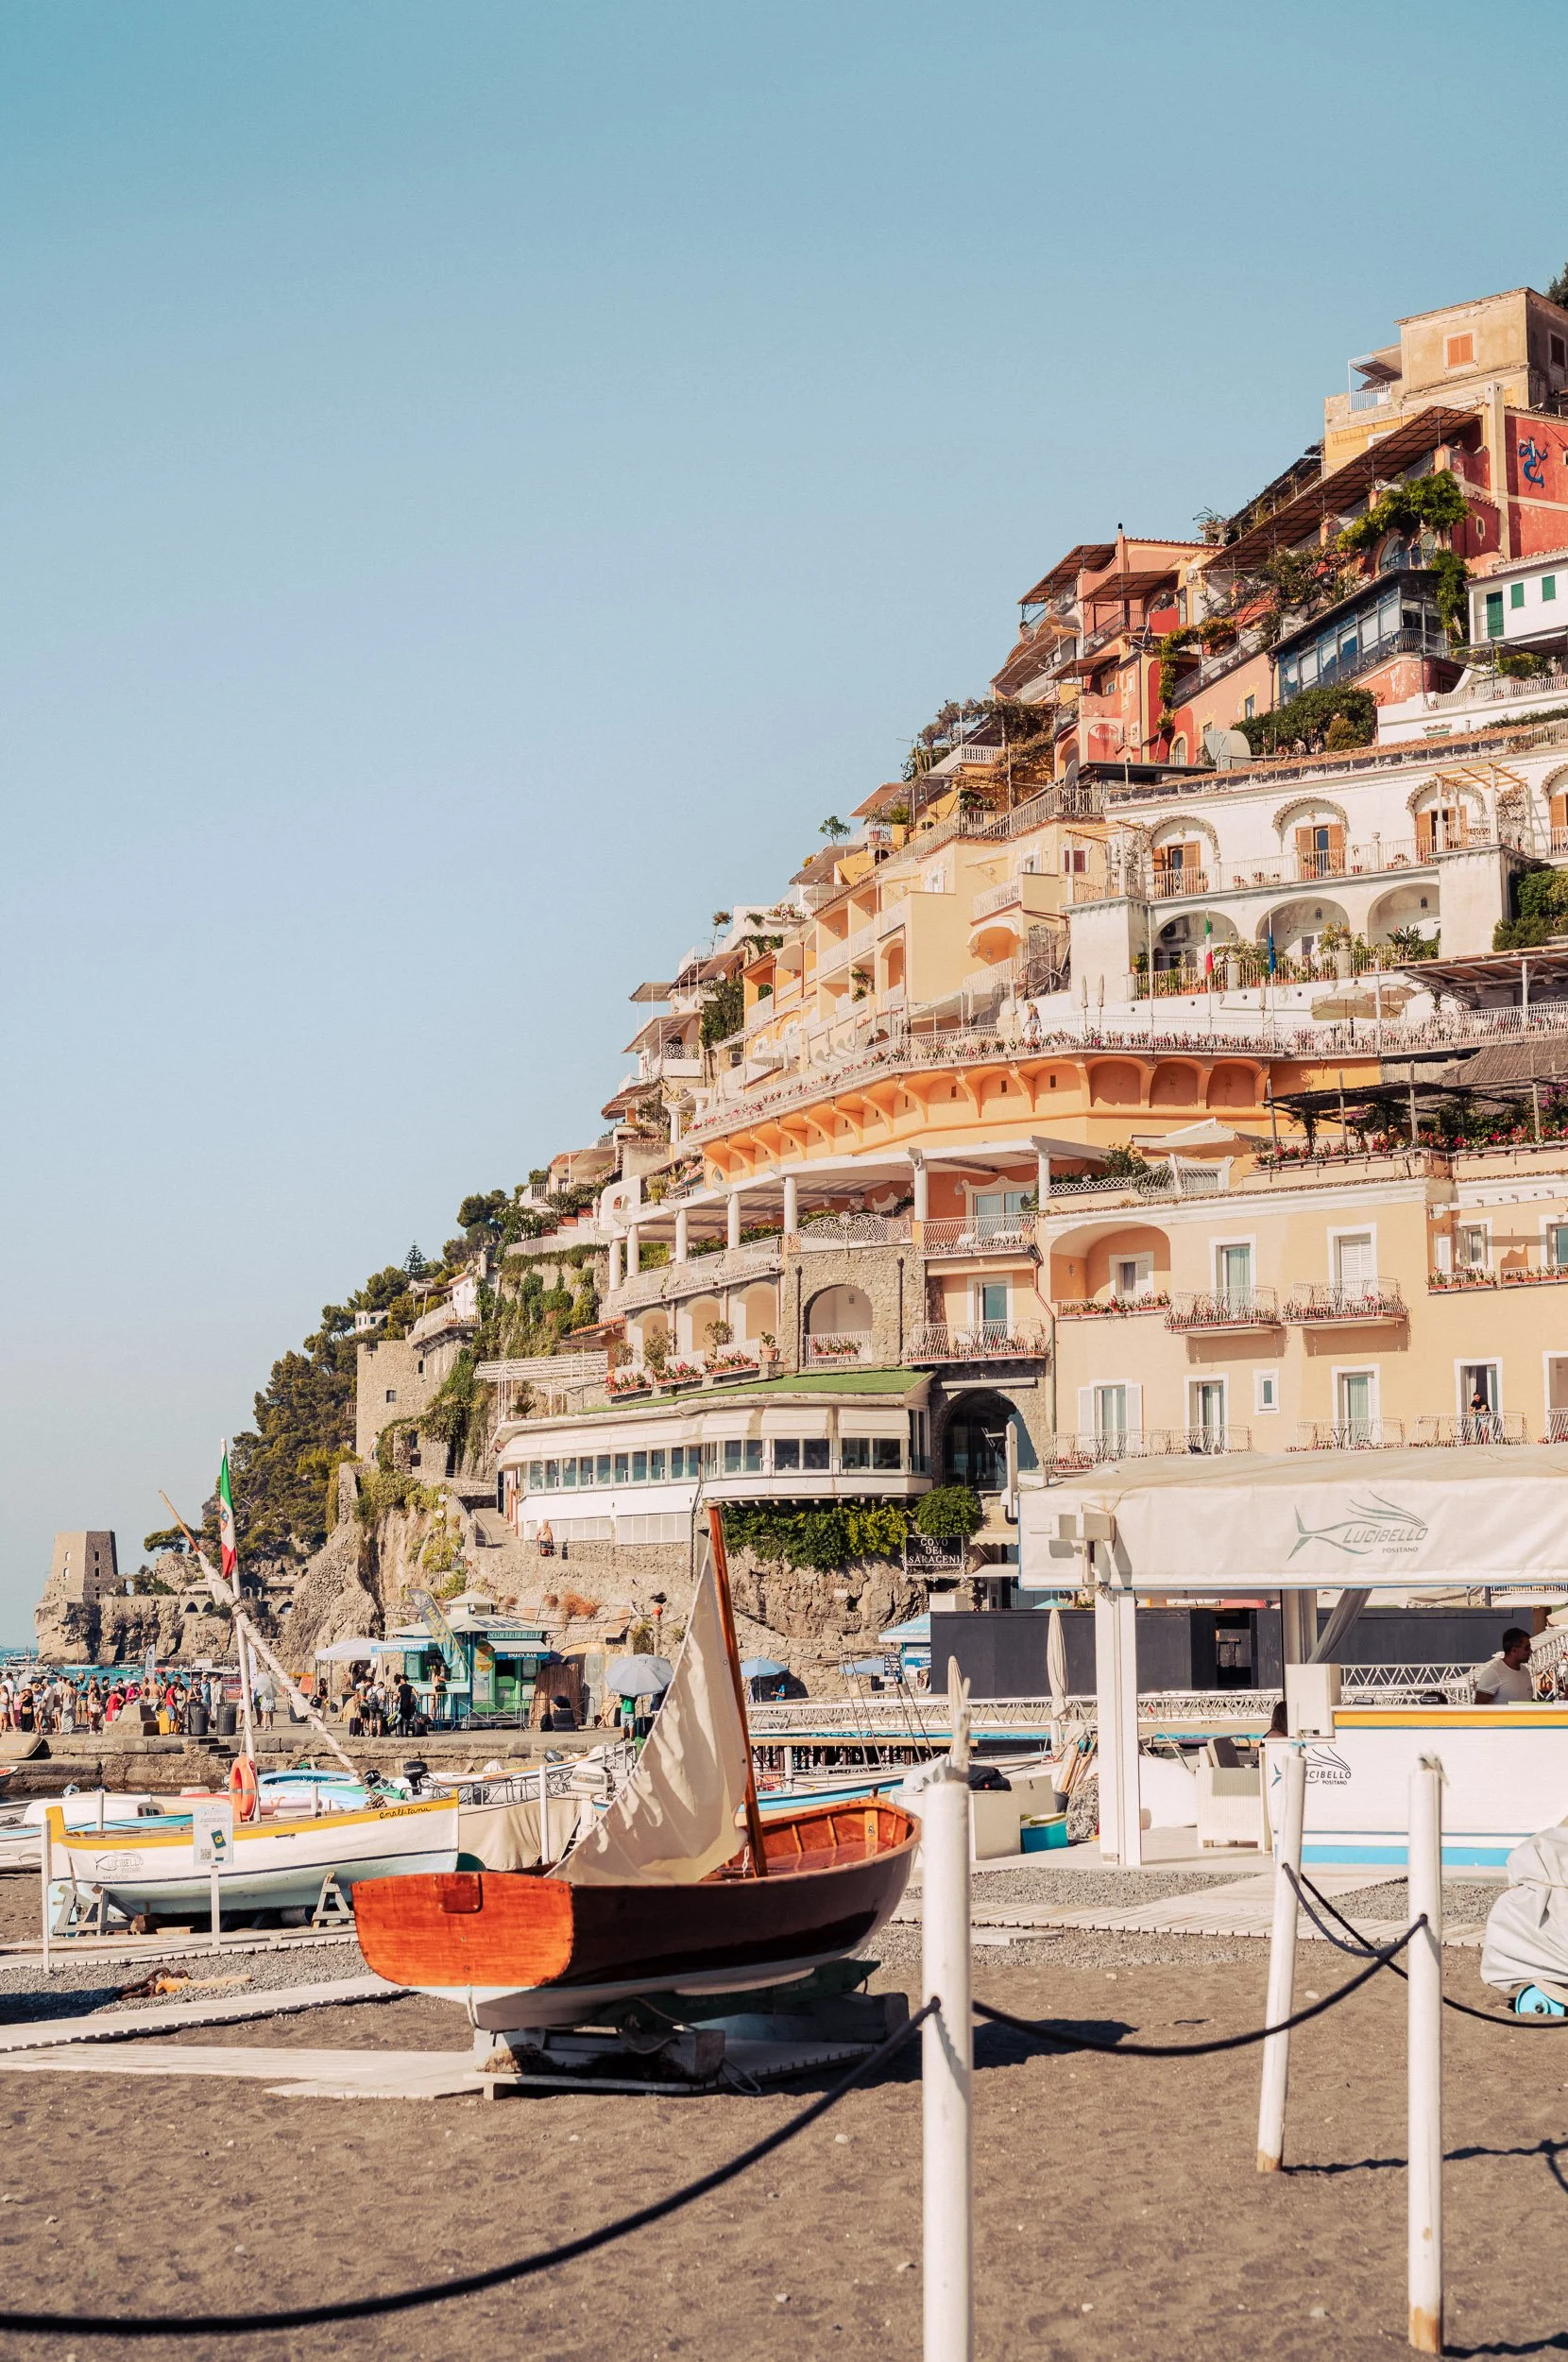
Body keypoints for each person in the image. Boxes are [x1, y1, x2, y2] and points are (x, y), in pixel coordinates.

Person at [1474, 1627, 1538, 1703]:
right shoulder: (1494, 1673)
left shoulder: (1525, 1671)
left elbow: (1524, 1699)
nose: (1531, 1651)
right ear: (1514, 1650)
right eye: (1527, 1648)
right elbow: (1479, 1707)